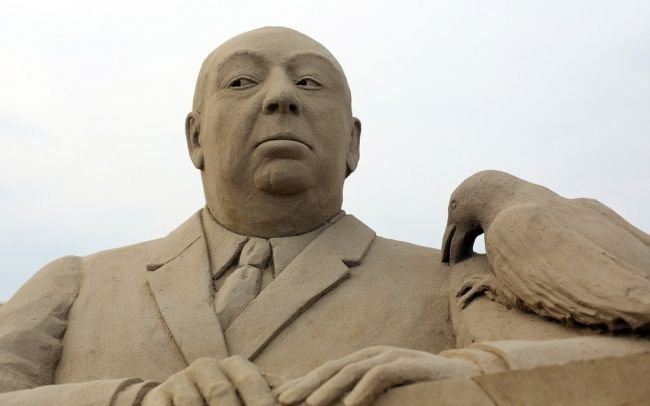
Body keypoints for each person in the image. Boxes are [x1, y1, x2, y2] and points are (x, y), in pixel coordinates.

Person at [0, 27, 647, 406]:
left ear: (354, 143)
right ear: (195, 138)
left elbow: (621, 364)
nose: (281, 97)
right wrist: (134, 400)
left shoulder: (448, 283)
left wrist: (458, 377)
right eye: (243, 82)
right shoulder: (78, 285)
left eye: (309, 84)